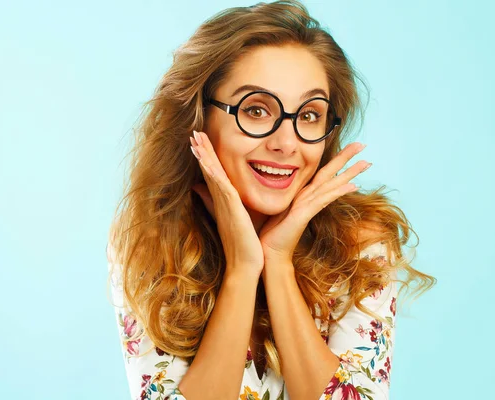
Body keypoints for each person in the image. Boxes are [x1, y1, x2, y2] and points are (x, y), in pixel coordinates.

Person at [106, 1, 436, 399]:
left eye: (310, 115)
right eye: (256, 110)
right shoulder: (149, 241)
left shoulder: (360, 244)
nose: (286, 143)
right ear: (198, 117)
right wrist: (243, 271)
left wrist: (277, 264)